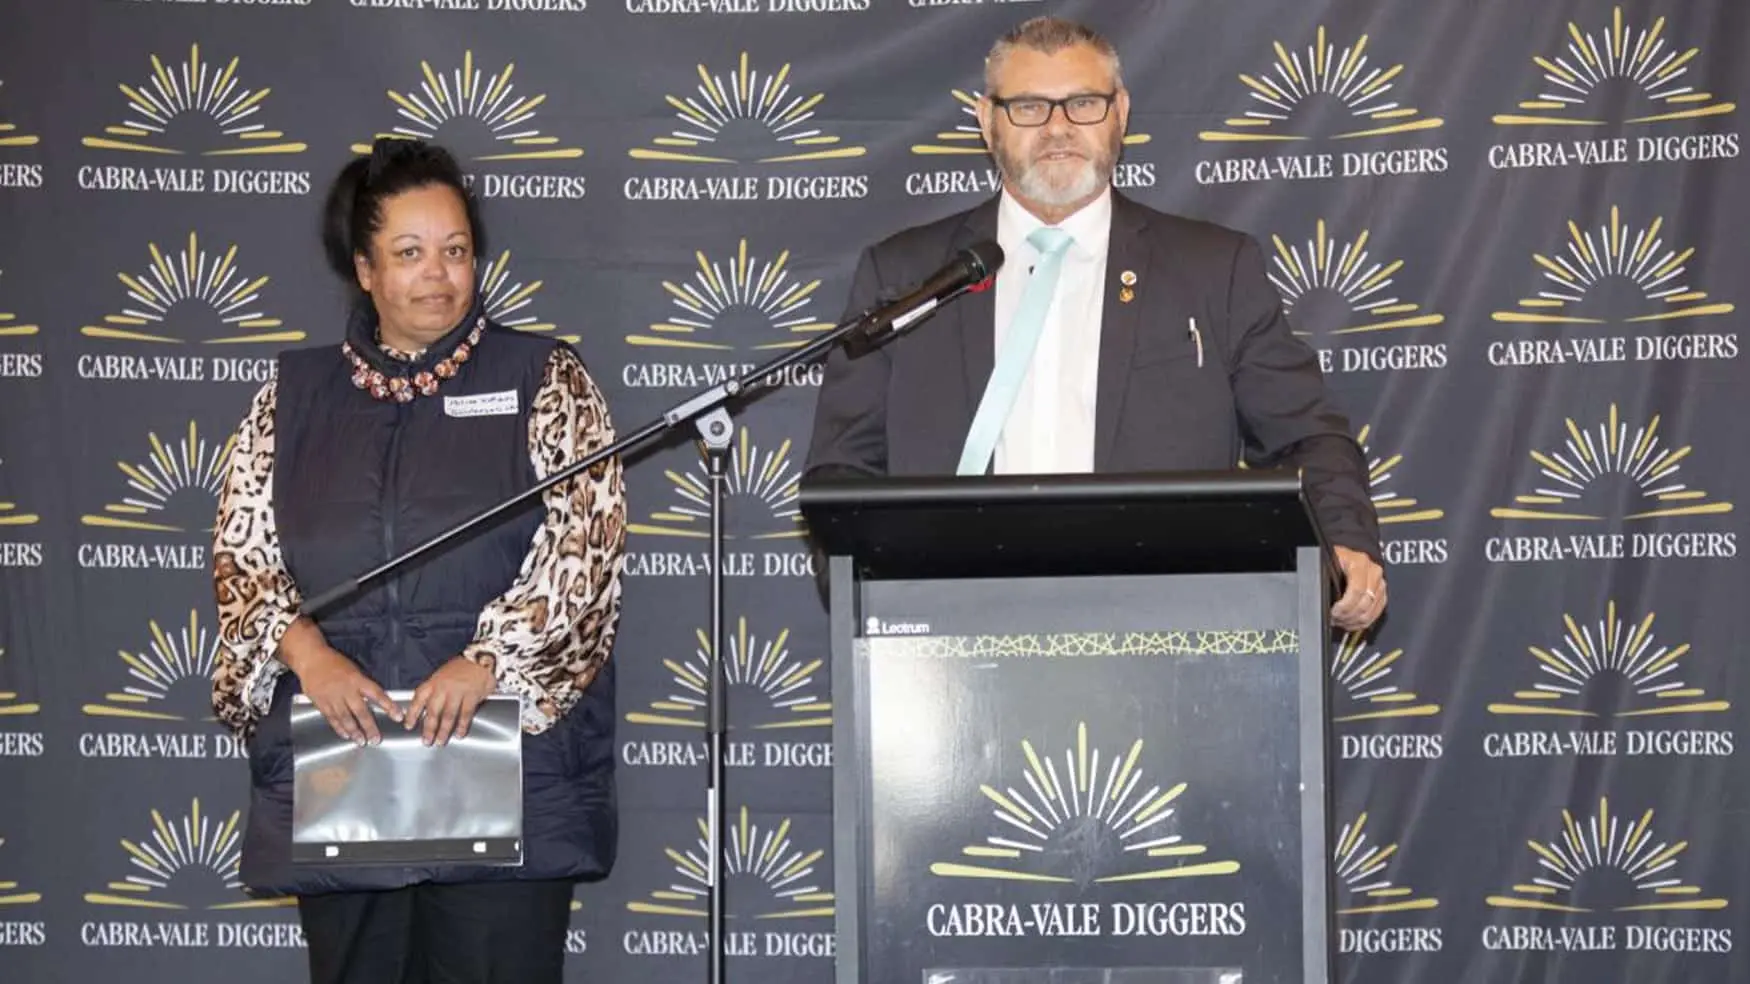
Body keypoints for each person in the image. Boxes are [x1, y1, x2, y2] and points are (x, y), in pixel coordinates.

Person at [804, 16, 1386, 632]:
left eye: (1083, 103)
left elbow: (1306, 436)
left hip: (1164, 635)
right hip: (952, 632)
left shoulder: (1215, 270)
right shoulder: (906, 274)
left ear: (1120, 113)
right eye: (1029, 106)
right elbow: (843, 472)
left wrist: (1343, 542)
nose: (1058, 128)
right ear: (987, 121)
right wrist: (879, 597)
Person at [209, 137, 627, 983]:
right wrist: (310, 657)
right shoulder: (289, 400)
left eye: (456, 251)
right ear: (365, 270)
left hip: (501, 765)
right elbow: (241, 557)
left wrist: (489, 662)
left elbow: (585, 549)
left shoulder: (546, 377)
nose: (438, 274)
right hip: (347, 767)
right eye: (409, 254)